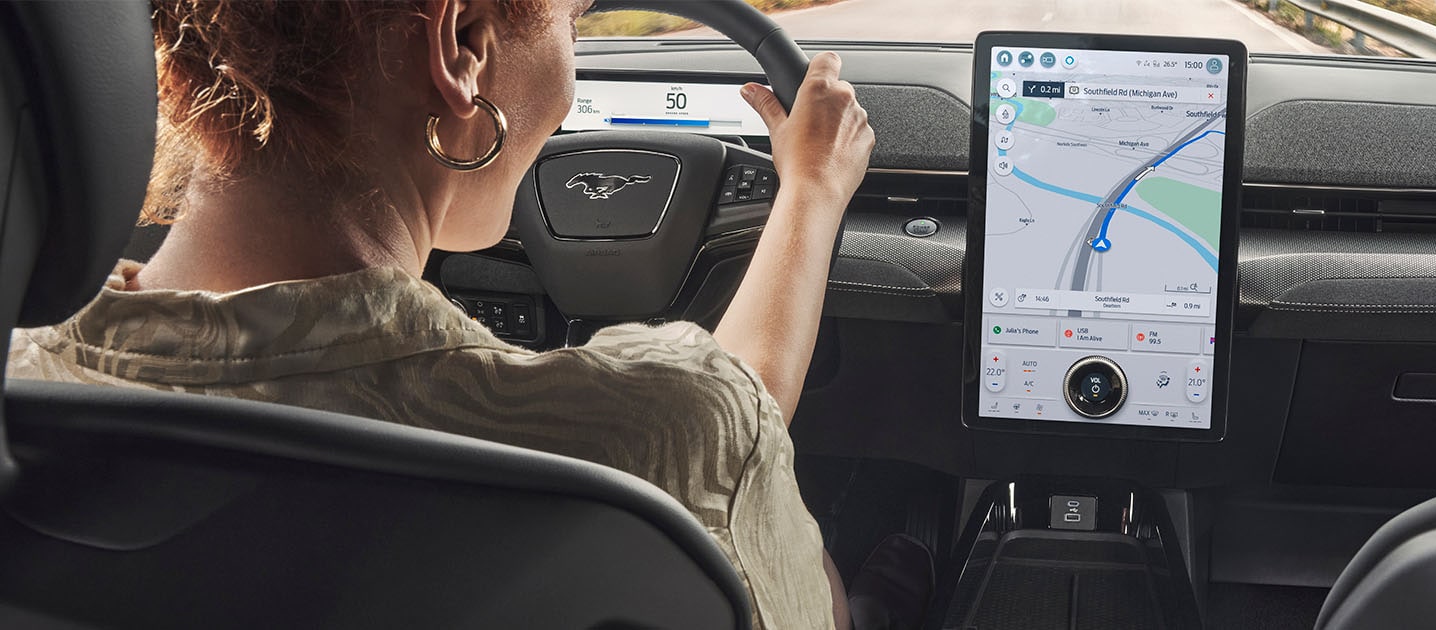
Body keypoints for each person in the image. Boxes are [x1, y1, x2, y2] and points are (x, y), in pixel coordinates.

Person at [7, 1, 893, 627]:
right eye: (570, 22)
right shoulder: (656, 442)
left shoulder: (27, 384)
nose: (571, 64)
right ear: (463, 43)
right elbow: (733, 422)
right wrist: (810, 191)